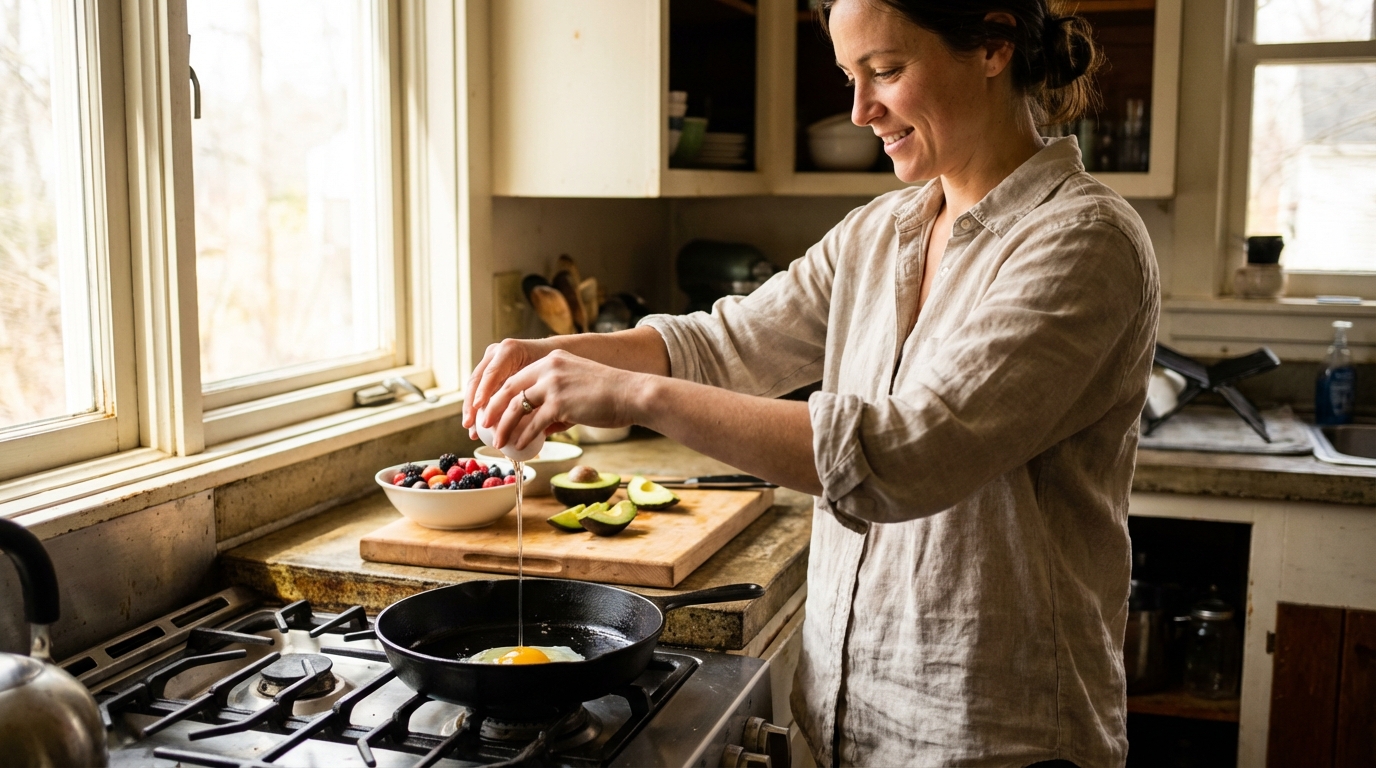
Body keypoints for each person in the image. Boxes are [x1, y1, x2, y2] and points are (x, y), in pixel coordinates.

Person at [464, 0, 1159, 764]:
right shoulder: (879, 231)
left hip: (995, 737)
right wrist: (557, 352)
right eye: (849, 77)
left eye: (886, 71)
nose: (861, 110)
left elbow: (907, 455)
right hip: (846, 725)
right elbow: (728, 341)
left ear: (992, 45)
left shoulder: (1083, 240)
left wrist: (631, 395)